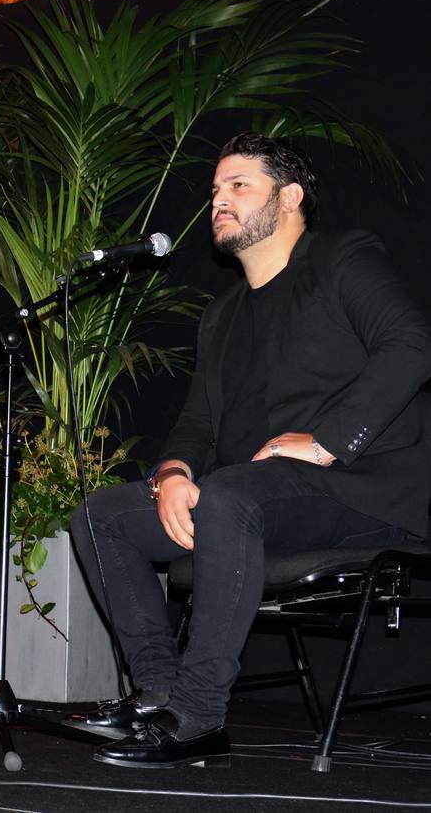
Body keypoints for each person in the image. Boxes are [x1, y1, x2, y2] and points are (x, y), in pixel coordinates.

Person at [69, 133, 431, 768]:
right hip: (257, 502)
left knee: (230, 496)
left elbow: (412, 343)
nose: (220, 200)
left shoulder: (341, 261)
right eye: (215, 190)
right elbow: (197, 420)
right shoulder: (223, 314)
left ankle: (200, 714)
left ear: (289, 198)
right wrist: (174, 474)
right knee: (103, 517)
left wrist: (326, 442)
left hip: (360, 490)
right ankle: (159, 693)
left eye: (239, 186)